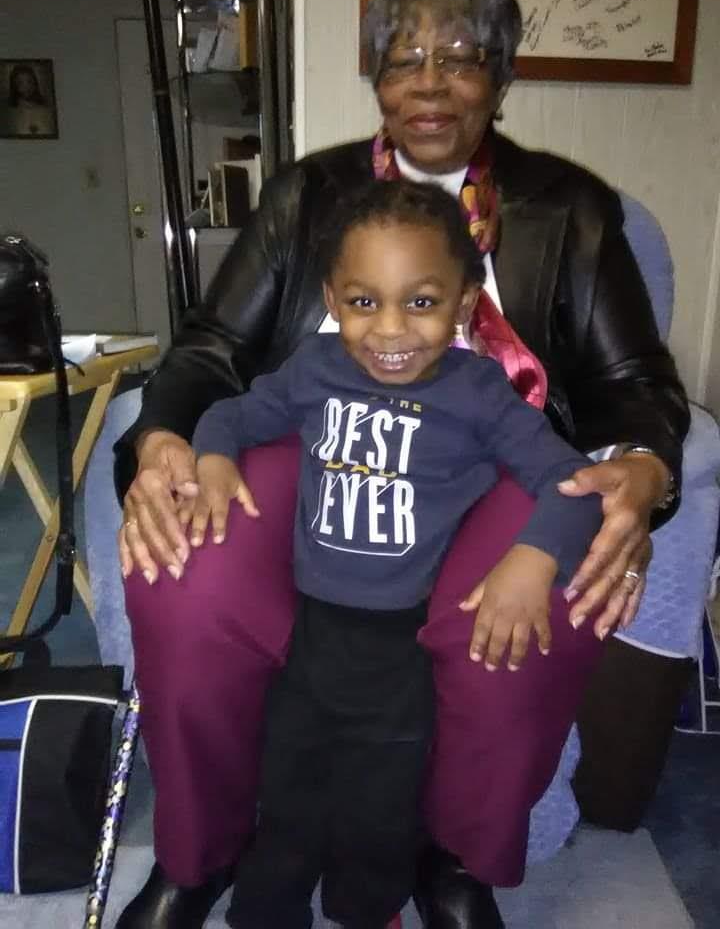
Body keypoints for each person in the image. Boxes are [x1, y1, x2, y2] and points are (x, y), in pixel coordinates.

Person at [114, 0, 690, 928]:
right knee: (189, 567)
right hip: (325, 440)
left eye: (461, 59)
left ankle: (455, 857)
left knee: (543, 588)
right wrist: (169, 437)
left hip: (504, 454)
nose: (430, 84)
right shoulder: (311, 193)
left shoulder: (573, 206)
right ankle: (200, 853)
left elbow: (636, 387)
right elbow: (215, 349)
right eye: (404, 59)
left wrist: (645, 467)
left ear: (500, 77)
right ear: (374, 76)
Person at [191, 179, 604, 929]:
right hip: (310, 642)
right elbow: (230, 412)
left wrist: (532, 559)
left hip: (401, 657)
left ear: (465, 301)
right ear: (331, 297)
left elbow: (572, 485)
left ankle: (363, 912)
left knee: (378, 820)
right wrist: (216, 456)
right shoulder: (314, 371)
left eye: (420, 302)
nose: (390, 331)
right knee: (285, 800)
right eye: (361, 302)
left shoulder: (480, 394)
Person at [5, 64, 55, 137]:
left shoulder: (45, 104)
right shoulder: (9, 107)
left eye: (29, 81)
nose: (26, 87)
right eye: (20, 83)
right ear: (14, 85)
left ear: (35, 83)